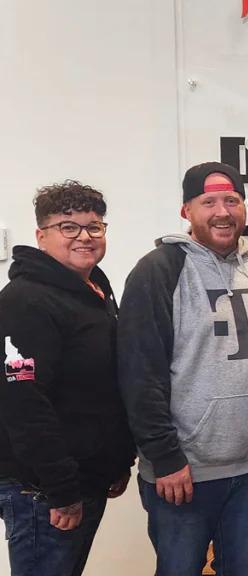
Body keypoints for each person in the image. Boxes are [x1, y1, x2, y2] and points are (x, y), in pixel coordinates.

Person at [119, 162, 248, 575]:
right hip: (185, 472)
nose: (222, 212)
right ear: (186, 210)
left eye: (232, 200)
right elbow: (139, 372)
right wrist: (164, 457)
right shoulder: (158, 271)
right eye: (208, 201)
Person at [0, 181, 135, 576]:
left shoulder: (93, 290)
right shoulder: (25, 301)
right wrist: (61, 490)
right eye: (68, 227)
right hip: (43, 490)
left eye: (94, 226)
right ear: (42, 236)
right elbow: (24, 402)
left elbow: (102, 386)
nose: (84, 237)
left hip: (84, 478)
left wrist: (115, 461)